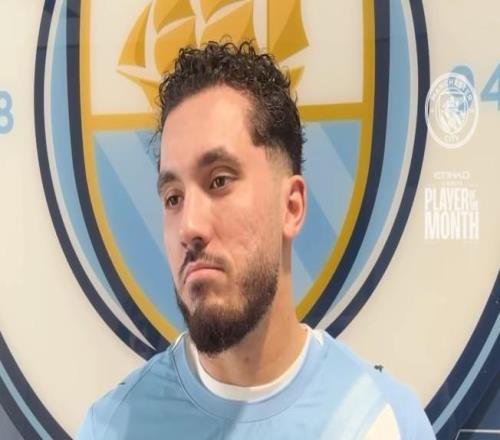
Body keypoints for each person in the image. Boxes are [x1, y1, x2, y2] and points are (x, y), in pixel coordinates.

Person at [77, 41, 435, 439]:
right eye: (173, 198)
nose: (189, 226)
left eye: (219, 181)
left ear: (291, 207)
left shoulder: (384, 422)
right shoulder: (111, 428)